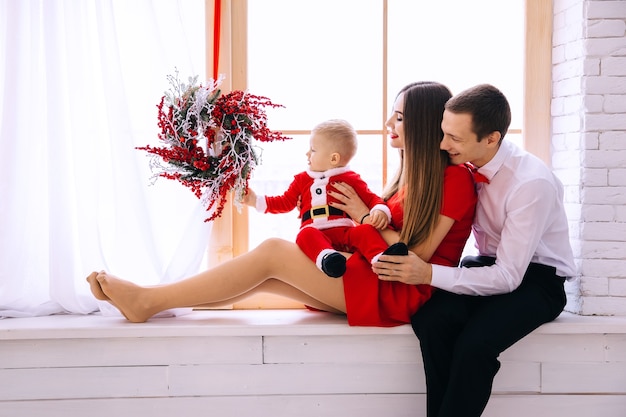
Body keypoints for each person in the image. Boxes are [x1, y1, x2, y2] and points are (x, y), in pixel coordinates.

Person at [86, 81, 477, 328]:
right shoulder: (409, 178)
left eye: (399, 117)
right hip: (377, 279)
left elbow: (417, 259)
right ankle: (153, 301)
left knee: (274, 251)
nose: (390, 124)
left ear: (424, 125)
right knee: (270, 277)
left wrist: (361, 217)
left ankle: (147, 299)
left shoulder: (455, 179)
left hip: (401, 292)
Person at [373, 84, 576, 416]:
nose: (442, 144)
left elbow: (509, 277)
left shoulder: (530, 183)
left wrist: (426, 272)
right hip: (484, 265)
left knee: (475, 346)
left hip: (537, 280)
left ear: (491, 139)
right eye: (443, 133)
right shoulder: (463, 164)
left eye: (454, 139)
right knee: (431, 320)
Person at [244, 118, 394, 278]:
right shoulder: (302, 180)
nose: (307, 153)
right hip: (317, 232)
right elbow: (285, 202)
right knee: (305, 235)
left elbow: (371, 198)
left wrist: (380, 210)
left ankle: (382, 258)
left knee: (365, 231)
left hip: (345, 231)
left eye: (313, 150)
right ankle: (327, 259)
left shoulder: (351, 179)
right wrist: (256, 201)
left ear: (334, 159)